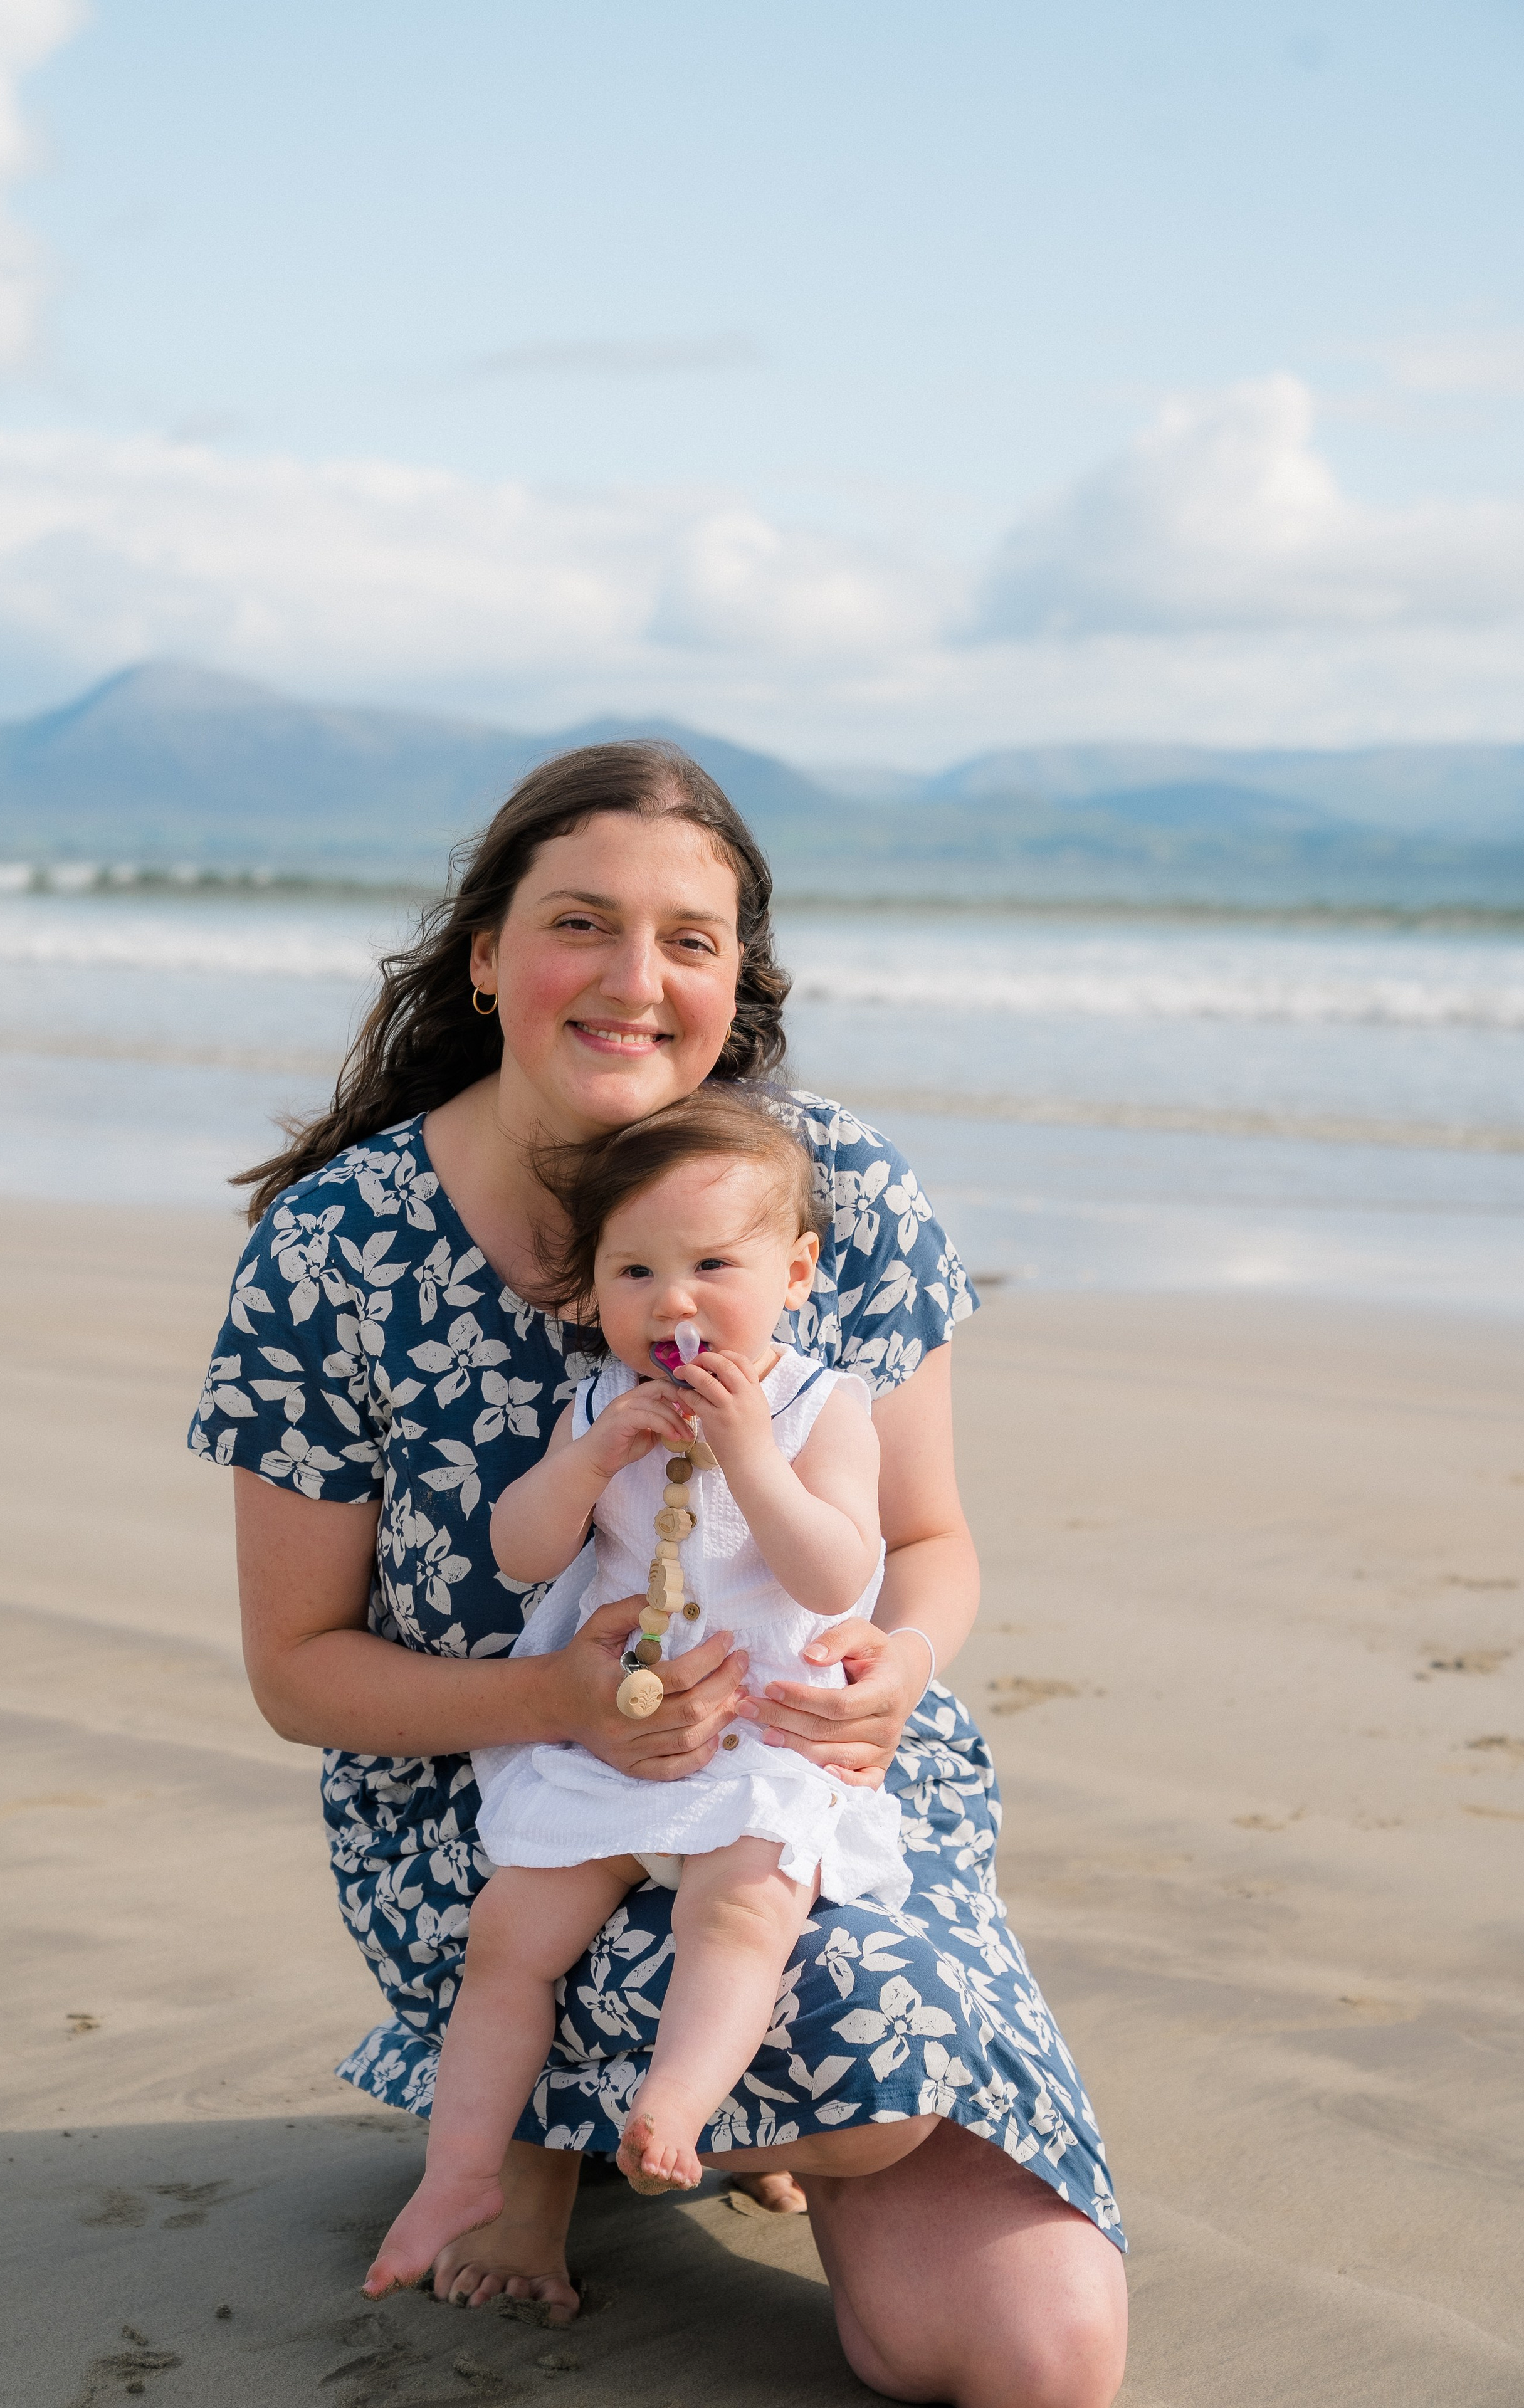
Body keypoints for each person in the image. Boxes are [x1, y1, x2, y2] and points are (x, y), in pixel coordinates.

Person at [191, 741, 1128, 2408]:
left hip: (790, 1772)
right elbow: (298, 1669)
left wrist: (900, 1664)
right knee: (618, 1993)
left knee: (1038, 2355)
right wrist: (568, 1696)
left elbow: (927, 1545)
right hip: (490, 1809)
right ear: (483, 954)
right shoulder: (337, 1248)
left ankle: (715, 2115)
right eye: (581, 924)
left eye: (690, 940)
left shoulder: (831, 1194)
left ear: (738, 978)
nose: (636, 982)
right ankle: (535, 2137)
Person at [362, 1088, 914, 2296]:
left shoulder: (824, 1406)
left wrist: (753, 1456)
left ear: (798, 1271)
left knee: (744, 1911)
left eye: (714, 1264)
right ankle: (462, 2168)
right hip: (616, 1748)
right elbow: (520, 1550)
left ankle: (678, 2105)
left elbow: (837, 1569)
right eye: (636, 1271)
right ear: (592, 1292)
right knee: (511, 1934)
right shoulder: (600, 1408)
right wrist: (589, 1459)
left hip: (764, 1739)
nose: (674, 1301)